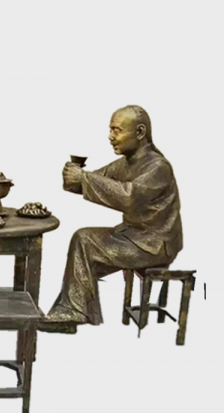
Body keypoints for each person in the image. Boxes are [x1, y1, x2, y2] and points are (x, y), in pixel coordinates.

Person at [40, 105, 183, 334]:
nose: (110, 137)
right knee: (84, 238)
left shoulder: (158, 167)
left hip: (154, 244)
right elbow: (93, 182)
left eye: (117, 130)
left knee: (84, 240)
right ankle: (71, 310)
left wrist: (84, 178)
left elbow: (128, 197)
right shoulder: (126, 163)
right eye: (110, 130)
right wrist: (73, 177)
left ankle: (73, 313)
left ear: (140, 132)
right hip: (135, 237)